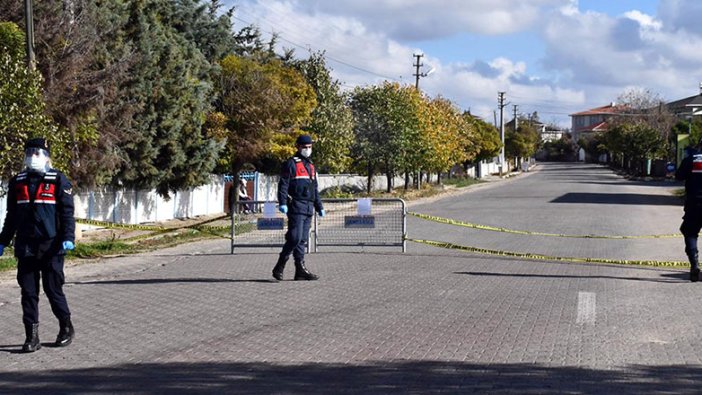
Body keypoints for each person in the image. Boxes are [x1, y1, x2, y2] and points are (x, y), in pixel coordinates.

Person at [0, 138, 76, 352]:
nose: (33, 156)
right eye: (30, 151)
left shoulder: (58, 180)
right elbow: (11, 216)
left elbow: (67, 213)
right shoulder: (18, 181)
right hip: (26, 246)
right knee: (28, 292)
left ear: (47, 156)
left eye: (38, 152)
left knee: (53, 289)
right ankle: (31, 337)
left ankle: (65, 327)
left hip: (51, 246)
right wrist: (3, 241)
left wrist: (68, 237)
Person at [272, 135, 325, 281]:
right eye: (304, 147)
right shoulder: (291, 164)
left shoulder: (311, 166)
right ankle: (280, 264)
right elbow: (283, 185)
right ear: (298, 147)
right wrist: (282, 202)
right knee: (294, 237)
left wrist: (319, 206)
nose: (307, 150)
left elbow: (315, 189)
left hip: (309, 208)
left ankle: (300, 269)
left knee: (302, 239)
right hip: (296, 206)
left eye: (309, 147)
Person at [676, 138, 702, 282]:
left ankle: (694, 264)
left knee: (690, 233)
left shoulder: (692, 159)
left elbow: (679, 176)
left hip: (694, 203)